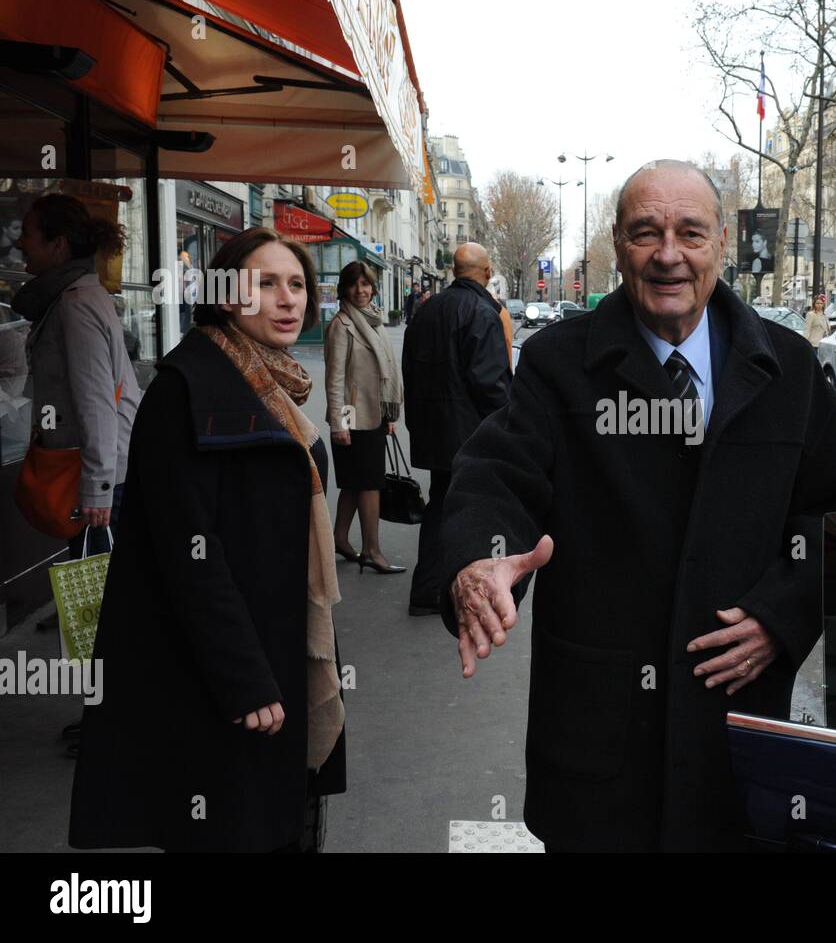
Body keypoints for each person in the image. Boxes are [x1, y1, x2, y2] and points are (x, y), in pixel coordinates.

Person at [434, 159, 836, 851]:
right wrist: (479, 559)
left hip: (735, 733)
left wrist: (779, 618)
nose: (669, 255)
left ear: (721, 243)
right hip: (600, 737)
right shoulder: (557, 362)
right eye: (646, 233)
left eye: (690, 233)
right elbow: (497, 475)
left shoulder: (789, 368)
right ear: (617, 245)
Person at [69, 227, 346, 852]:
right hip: (217, 670)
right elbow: (187, 552)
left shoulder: (271, 383)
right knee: (223, 826)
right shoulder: (186, 388)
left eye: (297, 284)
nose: (288, 299)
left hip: (271, 644)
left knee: (266, 821)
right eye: (265, 284)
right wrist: (243, 677)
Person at [12, 194, 139, 557]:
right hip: (100, 470)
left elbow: (97, 402)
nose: (20, 243)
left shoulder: (76, 305)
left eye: (28, 233)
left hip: (99, 477)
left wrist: (97, 489)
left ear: (58, 244)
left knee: (99, 580)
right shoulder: (77, 297)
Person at [404, 242, 512, 616]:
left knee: (442, 503)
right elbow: (490, 383)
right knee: (467, 509)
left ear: (453, 271)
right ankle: (446, 588)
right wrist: (507, 427)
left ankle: (431, 587)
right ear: (487, 272)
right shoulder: (482, 312)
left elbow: (410, 370)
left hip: (433, 427)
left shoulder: (427, 310)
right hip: (469, 431)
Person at [325, 259, 405, 574]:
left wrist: (387, 413)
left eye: (365, 284)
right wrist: (339, 423)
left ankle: (339, 538)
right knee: (370, 483)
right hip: (352, 416)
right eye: (354, 285)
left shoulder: (373, 321)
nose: (360, 290)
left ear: (373, 288)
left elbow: (385, 371)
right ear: (344, 289)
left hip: (373, 413)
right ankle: (371, 550)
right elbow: (335, 379)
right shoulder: (342, 325)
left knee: (354, 483)